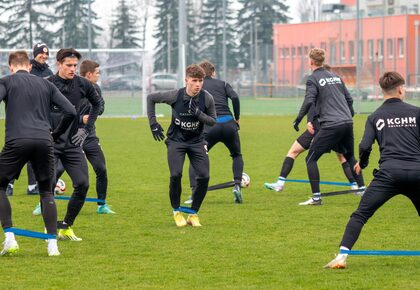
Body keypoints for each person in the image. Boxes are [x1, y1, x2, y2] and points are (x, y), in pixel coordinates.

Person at [325, 71, 420, 269]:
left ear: (382, 91)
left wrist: (363, 163)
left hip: (389, 175)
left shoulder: (375, 116)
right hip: (417, 171)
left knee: (360, 215)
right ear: (401, 89)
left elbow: (365, 146)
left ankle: (342, 257)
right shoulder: (416, 112)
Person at [0, 51, 76, 256]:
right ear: (30, 66)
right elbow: (71, 111)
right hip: (44, 141)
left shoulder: (6, 81)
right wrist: (56, 133)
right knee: (46, 191)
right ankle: (52, 245)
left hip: (17, 140)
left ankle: (10, 238)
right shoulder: (46, 84)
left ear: (10, 67)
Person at [32, 48, 101, 241]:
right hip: (50, 144)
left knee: (83, 184)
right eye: (68, 65)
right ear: (59, 64)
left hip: (72, 144)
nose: (72, 69)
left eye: (75, 66)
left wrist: (86, 129)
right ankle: (49, 228)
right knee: (49, 186)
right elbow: (35, 108)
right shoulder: (46, 85)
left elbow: (97, 105)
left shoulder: (83, 84)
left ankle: (66, 226)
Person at [264, 64, 365, 193]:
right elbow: (346, 102)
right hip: (336, 125)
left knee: (296, 153)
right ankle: (355, 186)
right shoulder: (333, 85)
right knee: (344, 156)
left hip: (323, 128)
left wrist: (307, 123)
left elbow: (311, 104)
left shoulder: (317, 83)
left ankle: (283, 184)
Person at [147, 64, 216, 227]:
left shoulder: (207, 98)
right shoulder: (175, 96)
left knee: (204, 177)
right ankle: (176, 211)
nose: (198, 84)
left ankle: (193, 214)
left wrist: (198, 114)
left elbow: (213, 121)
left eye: (200, 81)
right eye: (194, 80)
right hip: (176, 141)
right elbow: (151, 98)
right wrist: (153, 124)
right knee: (176, 175)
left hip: (197, 142)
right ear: (186, 81)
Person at [293, 48, 359, 205]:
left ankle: (316, 198)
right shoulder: (336, 77)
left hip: (331, 125)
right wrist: (348, 115)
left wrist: (298, 119)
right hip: (347, 122)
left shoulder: (312, 78)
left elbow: (309, 101)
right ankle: (362, 190)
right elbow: (349, 100)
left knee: (311, 158)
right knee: (349, 156)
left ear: (310, 61)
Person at [54, 60, 114, 214]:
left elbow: (100, 108)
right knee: (57, 170)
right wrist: (81, 119)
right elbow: (63, 112)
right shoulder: (72, 88)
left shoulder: (96, 89)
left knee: (101, 168)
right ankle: (43, 202)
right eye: (97, 73)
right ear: (89, 74)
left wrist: (92, 115)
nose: (98, 76)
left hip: (89, 135)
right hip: (70, 136)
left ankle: (101, 205)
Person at [186, 60, 244, 204]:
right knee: (236, 155)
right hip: (229, 124)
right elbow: (235, 97)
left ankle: (194, 193)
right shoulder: (223, 84)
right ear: (213, 72)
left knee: (196, 158)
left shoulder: (198, 86)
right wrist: (237, 118)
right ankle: (237, 185)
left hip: (210, 126)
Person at [6, 43, 54, 196]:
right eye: (41, 53)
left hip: (40, 117)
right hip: (21, 117)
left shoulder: (49, 72)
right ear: (34, 54)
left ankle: (32, 186)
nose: (44, 56)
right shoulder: (26, 68)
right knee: (16, 152)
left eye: (46, 54)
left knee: (34, 154)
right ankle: (8, 185)